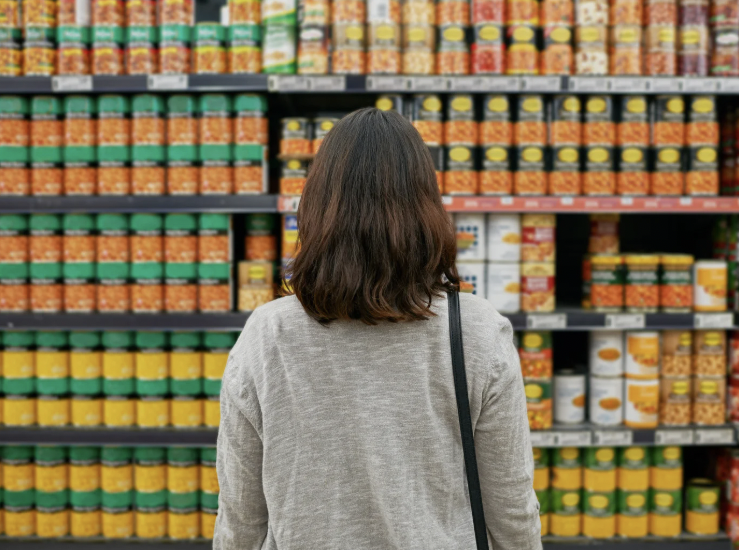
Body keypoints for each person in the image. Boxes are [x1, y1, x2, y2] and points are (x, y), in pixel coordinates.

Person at [214, 107, 541, 550]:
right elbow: (512, 512)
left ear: (315, 206)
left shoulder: (267, 334)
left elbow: (240, 521)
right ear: (427, 207)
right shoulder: (478, 332)